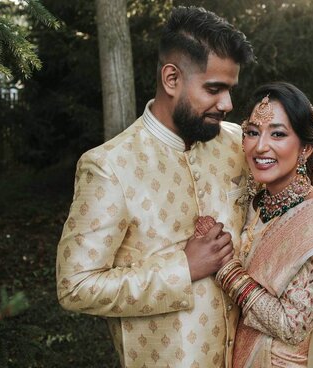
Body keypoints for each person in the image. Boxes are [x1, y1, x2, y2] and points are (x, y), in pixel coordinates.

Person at [55, 7, 254, 367]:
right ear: (172, 79)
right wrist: (183, 268)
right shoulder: (110, 167)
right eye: (214, 88)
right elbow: (75, 286)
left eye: (230, 89)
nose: (228, 104)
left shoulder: (240, 144)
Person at [206, 82, 313, 367]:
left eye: (277, 134)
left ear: (305, 148)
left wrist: (227, 270)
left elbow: (291, 325)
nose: (260, 146)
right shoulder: (255, 204)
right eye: (252, 132)